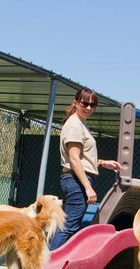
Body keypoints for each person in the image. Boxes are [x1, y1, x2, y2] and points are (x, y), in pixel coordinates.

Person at [49, 87, 121, 250]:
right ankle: (46, 268)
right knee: (69, 227)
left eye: (93, 104)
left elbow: (81, 159)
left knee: (70, 226)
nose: (89, 108)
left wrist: (102, 163)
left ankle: (54, 266)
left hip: (78, 179)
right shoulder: (74, 125)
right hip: (77, 182)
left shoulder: (81, 123)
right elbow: (74, 160)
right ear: (76, 103)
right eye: (85, 103)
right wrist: (88, 188)